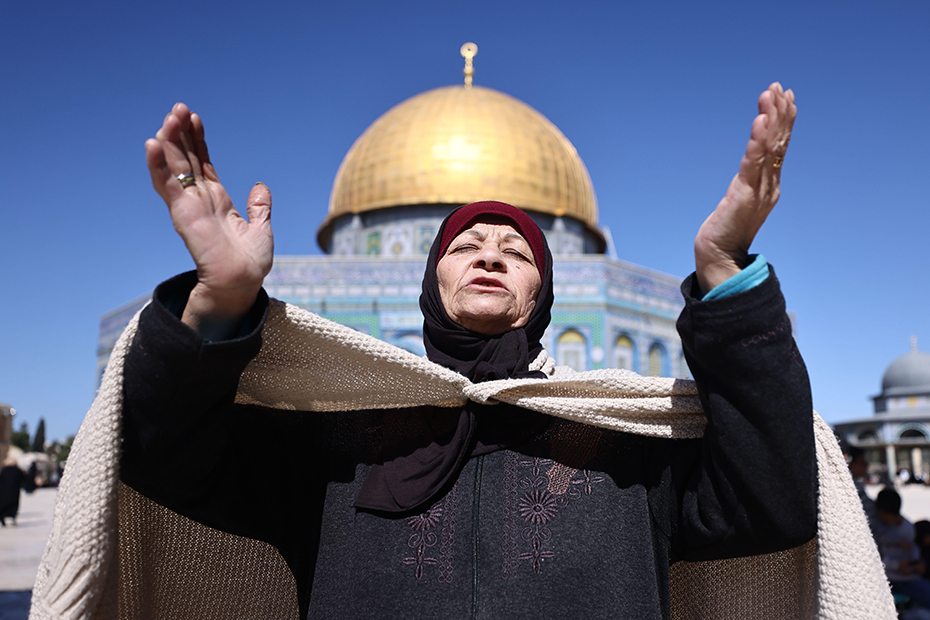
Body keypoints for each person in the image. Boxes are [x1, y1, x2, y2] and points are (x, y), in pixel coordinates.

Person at [29, 85, 897, 620]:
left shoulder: (625, 442)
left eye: (517, 250)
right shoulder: (335, 436)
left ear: (545, 297)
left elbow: (773, 498)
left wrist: (724, 278)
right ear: (422, 279)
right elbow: (168, 461)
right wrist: (220, 304)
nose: (490, 253)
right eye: (466, 243)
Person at [876, 488, 930, 610]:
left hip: (907, 577)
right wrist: (897, 566)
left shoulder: (907, 528)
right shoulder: (875, 527)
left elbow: (913, 550)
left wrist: (917, 564)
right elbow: (874, 558)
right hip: (886, 577)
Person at [0, 456, 26, 526]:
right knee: (13, 506)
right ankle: (13, 518)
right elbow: (23, 479)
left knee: (3, 505)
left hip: (3, 492)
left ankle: (2, 519)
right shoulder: (18, 470)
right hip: (14, 492)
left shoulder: (4, 470)